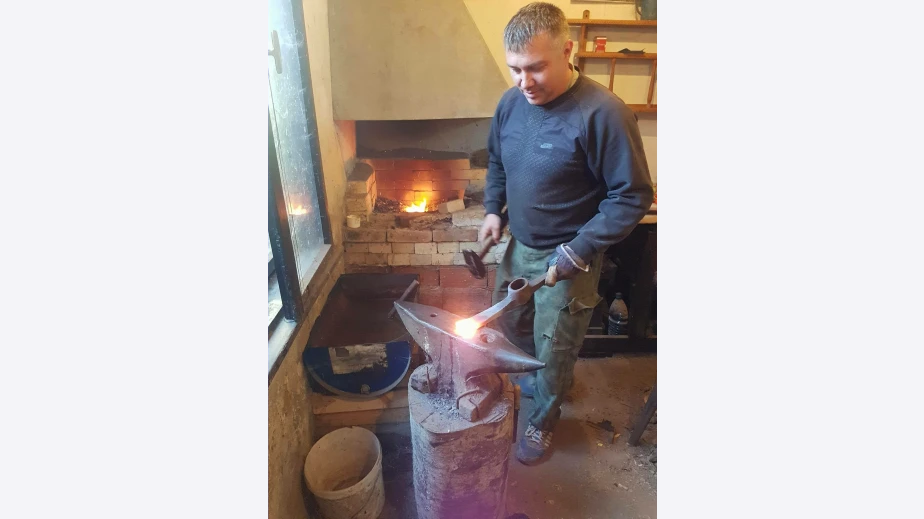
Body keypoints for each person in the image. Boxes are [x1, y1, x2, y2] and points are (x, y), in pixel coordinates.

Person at [481, 2, 654, 465]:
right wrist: (493, 210)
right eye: (516, 69)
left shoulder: (604, 113)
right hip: (520, 246)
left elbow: (633, 195)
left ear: (567, 51)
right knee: (512, 324)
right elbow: (497, 161)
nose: (524, 81)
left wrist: (579, 250)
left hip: (569, 255)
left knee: (555, 347)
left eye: (536, 67)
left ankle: (543, 420)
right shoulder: (510, 103)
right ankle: (540, 385)